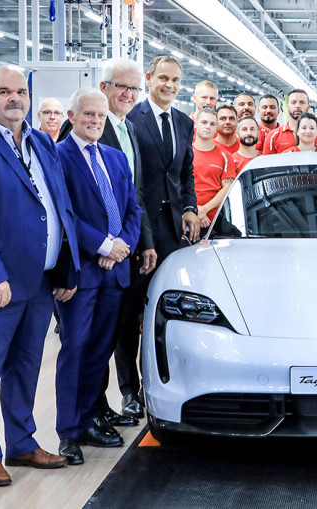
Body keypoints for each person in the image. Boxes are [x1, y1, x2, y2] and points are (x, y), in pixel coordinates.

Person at [0, 66, 80, 486]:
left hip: (40, 280)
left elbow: (59, 205)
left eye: (21, 91)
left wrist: (66, 266)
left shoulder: (41, 142)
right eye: (4, 91)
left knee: (26, 366)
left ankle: (21, 443)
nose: (14, 98)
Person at [58, 57, 155, 428]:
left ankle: (95, 414)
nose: (96, 121)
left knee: (101, 346)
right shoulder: (60, 154)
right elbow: (66, 212)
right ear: (73, 116)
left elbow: (133, 203)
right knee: (77, 348)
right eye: (89, 115)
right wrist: (103, 245)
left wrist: (124, 245)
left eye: (100, 116)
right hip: (84, 267)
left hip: (116, 267)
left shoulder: (118, 150)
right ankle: (73, 427)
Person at [125, 55, 200, 417]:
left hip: (173, 232)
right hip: (140, 228)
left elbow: (186, 173)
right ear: (149, 79)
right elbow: (134, 182)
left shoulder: (184, 122)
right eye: (163, 78)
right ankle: (129, 390)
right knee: (130, 313)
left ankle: (167, 382)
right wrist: (144, 238)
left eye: (175, 80)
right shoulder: (132, 119)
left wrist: (190, 207)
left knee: (168, 312)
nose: (169, 85)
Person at [193, 108, 236, 231]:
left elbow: (227, 188)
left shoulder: (225, 156)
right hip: (187, 215)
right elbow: (177, 186)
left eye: (212, 124)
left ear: (216, 127)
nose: (208, 127)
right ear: (196, 124)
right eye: (204, 122)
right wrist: (194, 210)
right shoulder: (185, 154)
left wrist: (204, 210)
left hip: (215, 219)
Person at [263, 89, 317, 153]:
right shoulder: (273, 136)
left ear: (308, 107)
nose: (297, 106)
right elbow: (268, 159)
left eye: (302, 102)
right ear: (287, 106)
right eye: (293, 102)